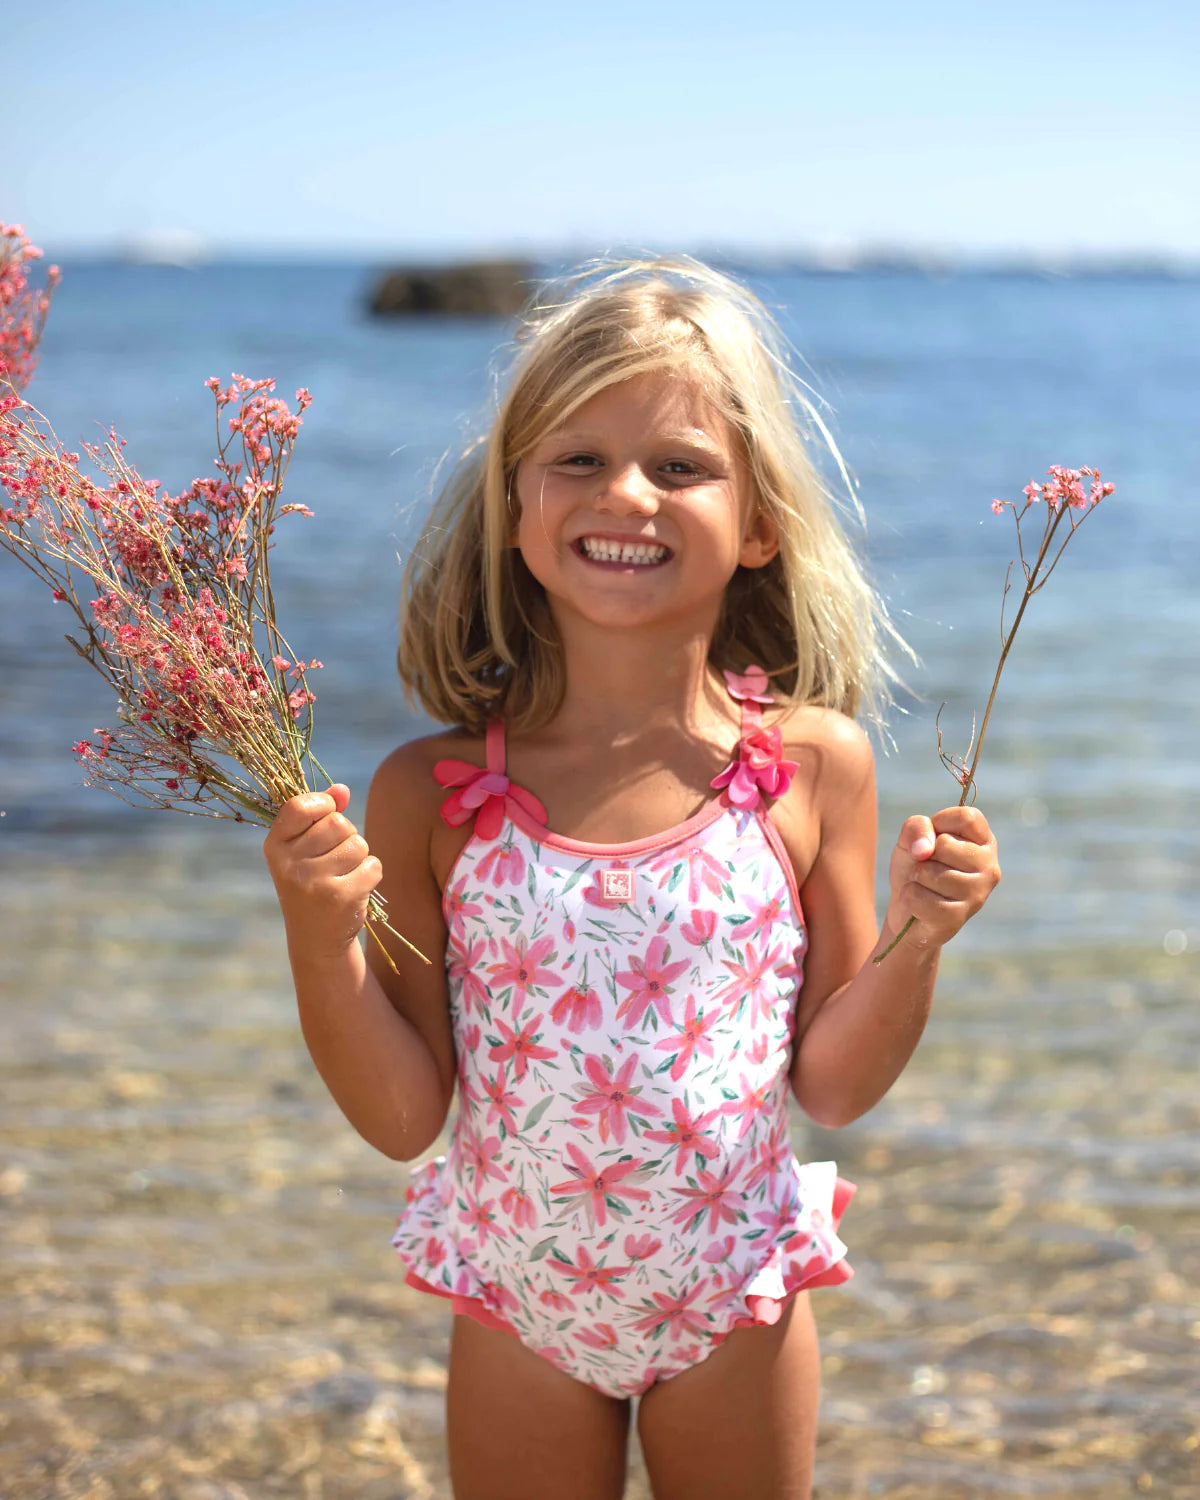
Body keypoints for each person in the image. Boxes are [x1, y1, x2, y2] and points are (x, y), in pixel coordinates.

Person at [263, 257, 1001, 1500]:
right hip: (518, 1303)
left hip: (733, 1295)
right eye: (579, 459)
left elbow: (834, 1079)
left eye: (680, 466)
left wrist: (920, 940)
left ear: (760, 520)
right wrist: (315, 932)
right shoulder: (431, 793)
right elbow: (402, 1118)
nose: (627, 496)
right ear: (512, 507)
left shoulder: (813, 766)